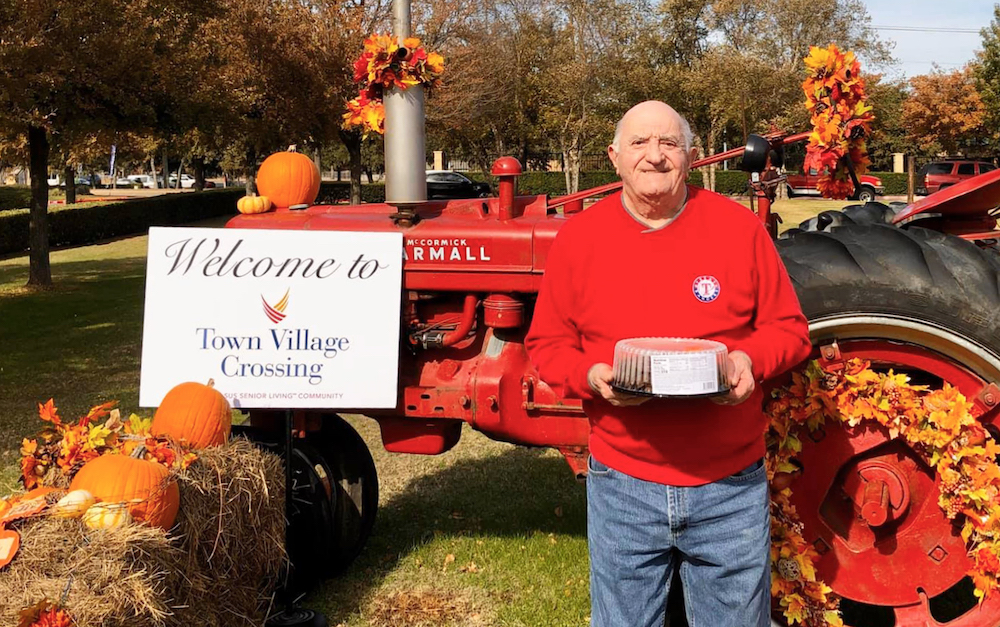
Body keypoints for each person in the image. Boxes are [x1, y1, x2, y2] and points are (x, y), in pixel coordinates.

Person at [524, 100, 811, 627]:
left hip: (729, 486)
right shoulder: (580, 239)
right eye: (639, 143)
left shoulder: (739, 229)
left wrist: (750, 361)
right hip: (622, 484)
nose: (654, 156)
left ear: (691, 156)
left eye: (668, 143)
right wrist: (591, 377)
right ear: (614, 157)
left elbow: (789, 331)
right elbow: (547, 344)